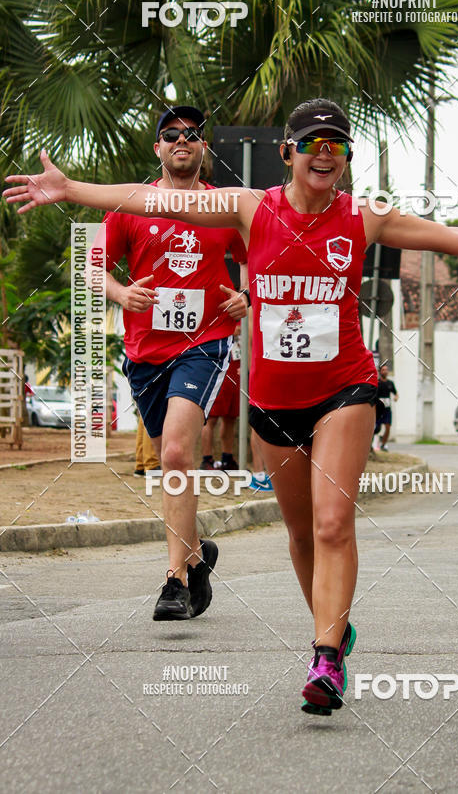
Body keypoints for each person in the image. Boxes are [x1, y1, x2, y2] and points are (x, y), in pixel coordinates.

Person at [5, 98, 458, 714]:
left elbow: (447, 236)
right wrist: (69, 190)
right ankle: (334, 628)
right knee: (302, 533)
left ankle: (326, 656)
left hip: (345, 389)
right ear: (288, 152)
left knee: (334, 522)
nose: (323, 154)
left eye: (336, 145)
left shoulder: (365, 217)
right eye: (312, 143)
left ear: (347, 159)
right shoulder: (250, 208)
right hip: (275, 403)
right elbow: (149, 199)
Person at [94, 105, 248, 622]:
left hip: (204, 342)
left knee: (179, 454)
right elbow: (91, 266)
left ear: (204, 149)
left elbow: (268, 258)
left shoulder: (226, 207)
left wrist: (247, 296)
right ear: (158, 149)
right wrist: (120, 292)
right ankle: (198, 553)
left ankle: (174, 582)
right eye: (171, 135)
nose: (182, 140)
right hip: (144, 351)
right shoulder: (133, 206)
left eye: (192, 135)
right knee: (168, 462)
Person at [200, 324, 241, 471]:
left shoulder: (245, 310)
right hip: (219, 368)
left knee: (231, 417)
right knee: (211, 418)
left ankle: (227, 457)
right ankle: (206, 459)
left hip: (236, 369)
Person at [374, 363, 398, 451]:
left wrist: (396, 397)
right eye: (383, 370)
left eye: (386, 370)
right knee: (377, 428)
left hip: (387, 409)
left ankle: (383, 445)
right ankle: (373, 444)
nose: (385, 371)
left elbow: (396, 393)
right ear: (380, 372)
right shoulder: (377, 383)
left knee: (388, 428)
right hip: (379, 409)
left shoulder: (390, 383)